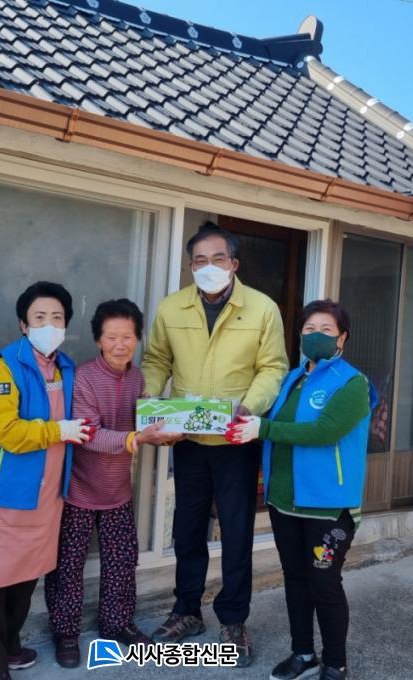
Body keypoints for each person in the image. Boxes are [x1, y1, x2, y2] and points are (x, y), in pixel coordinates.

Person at [141, 221, 289, 666]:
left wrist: (250, 406)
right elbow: (156, 359)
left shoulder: (262, 309)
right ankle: (186, 610)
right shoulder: (172, 308)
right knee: (187, 529)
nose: (208, 266)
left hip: (235, 438)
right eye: (199, 260)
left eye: (217, 259)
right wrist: (150, 400)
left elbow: (273, 366)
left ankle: (233, 619)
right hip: (187, 436)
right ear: (191, 266)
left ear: (234, 263)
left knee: (237, 532)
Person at [226, 299, 377, 680]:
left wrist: (264, 429)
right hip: (285, 501)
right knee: (294, 579)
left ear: (342, 338)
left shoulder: (353, 383)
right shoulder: (291, 379)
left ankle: (335, 663)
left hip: (328, 506)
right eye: (309, 329)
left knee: (324, 583)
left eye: (326, 330)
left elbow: (325, 431)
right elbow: (266, 421)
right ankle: (303, 653)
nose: (316, 335)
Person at [0, 281, 93, 680]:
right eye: (39, 317)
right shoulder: (4, 367)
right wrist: (58, 431)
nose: (49, 325)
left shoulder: (65, 368)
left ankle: (8, 646)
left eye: (57, 317)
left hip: (47, 494)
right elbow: (4, 430)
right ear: (23, 324)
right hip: (3, 492)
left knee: (23, 574)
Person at [45, 299, 178, 668]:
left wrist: (166, 434)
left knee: (122, 562)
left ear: (137, 339)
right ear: (98, 340)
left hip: (118, 490)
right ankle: (65, 632)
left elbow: (146, 426)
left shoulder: (138, 380)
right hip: (79, 490)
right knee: (68, 566)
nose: (120, 345)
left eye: (128, 337)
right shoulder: (84, 378)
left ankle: (117, 625)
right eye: (111, 337)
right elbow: (88, 434)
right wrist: (138, 438)